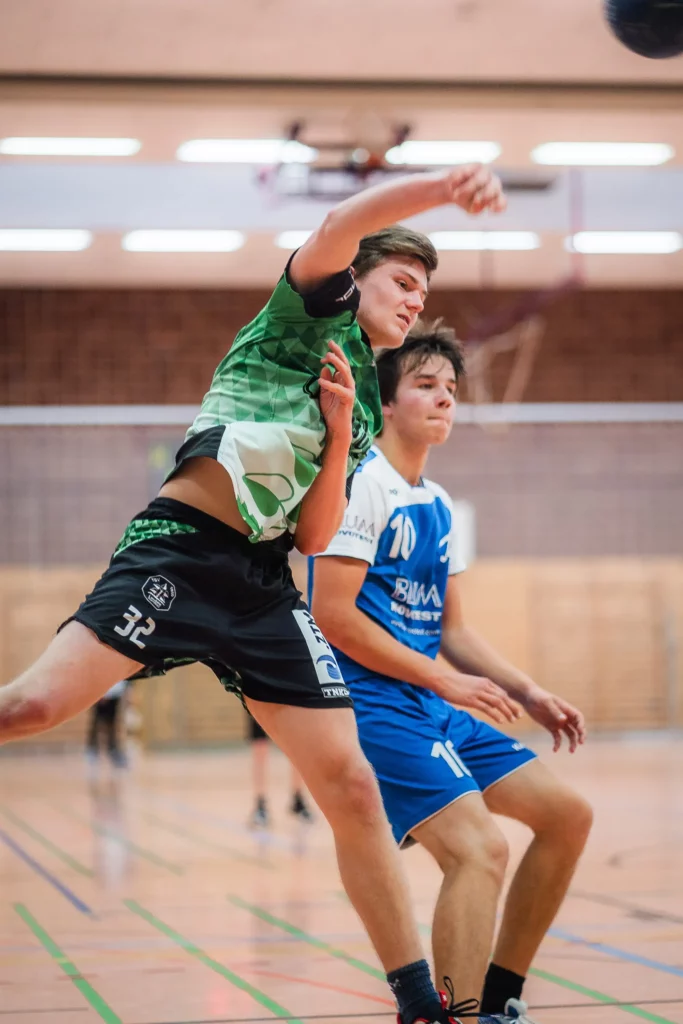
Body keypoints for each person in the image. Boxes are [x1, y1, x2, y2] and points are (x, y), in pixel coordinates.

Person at [0, 164, 508, 1024]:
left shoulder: (362, 407)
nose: (415, 299)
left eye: (423, 291)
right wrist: (443, 187)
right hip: (181, 551)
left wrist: (342, 435)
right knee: (33, 707)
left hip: (263, 584)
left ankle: (420, 1003)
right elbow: (343, 220)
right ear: (358, 276)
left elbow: (313, 538)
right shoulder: (307, 311)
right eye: (402, 281)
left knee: (350, 786)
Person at [310, 322, 593, 1023]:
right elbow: (332, 615)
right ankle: (456, 1015)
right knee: (479, 850)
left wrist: (528, 690)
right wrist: (441, 680)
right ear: (385, 403)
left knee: (567, 816)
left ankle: (497, 1001)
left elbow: (453, 631)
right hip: (373, 707)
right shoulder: (360, 483)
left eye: (451, 389)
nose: (444, 399)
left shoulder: (435, 502)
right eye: (425, 386)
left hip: (428, 701)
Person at [246, 710, 314, 826]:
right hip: (260, 701)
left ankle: (297, 799)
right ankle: (260, 803)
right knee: (260, 748)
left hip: (289, 702)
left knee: (297, 744)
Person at [86, 679, 129, 767]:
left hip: (114, 694)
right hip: (101, 693)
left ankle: (112, 750)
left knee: (111, 724)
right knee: (97, 723)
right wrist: (102, 693)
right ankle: (93, 749)